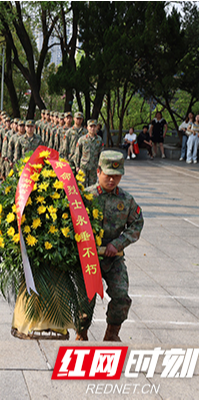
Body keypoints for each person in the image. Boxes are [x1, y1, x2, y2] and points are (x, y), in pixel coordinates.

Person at [76, 151, 144, 342]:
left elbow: (137, 223)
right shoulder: (85, 197)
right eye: (108, 175)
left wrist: (118, 243)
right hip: (89, 257)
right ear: (98, 172)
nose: (112, 180)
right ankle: (81, 334)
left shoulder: (126, 200)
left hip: (113, 258)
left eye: (116, 176)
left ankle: (111, 334)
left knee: (121, 297)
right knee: (85, 300)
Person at [73, 119, 104, 187]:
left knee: (92, 187)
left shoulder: (99, 140)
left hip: (93, 167)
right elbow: (78, 153)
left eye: (94, 127)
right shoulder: (82, 139)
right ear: (87, 127)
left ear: (96, 128)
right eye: (91, 126)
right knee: (81, 186)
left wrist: (101, 167)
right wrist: (77, 166)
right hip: (83, 166)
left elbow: (101, 154)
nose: (92, 128)